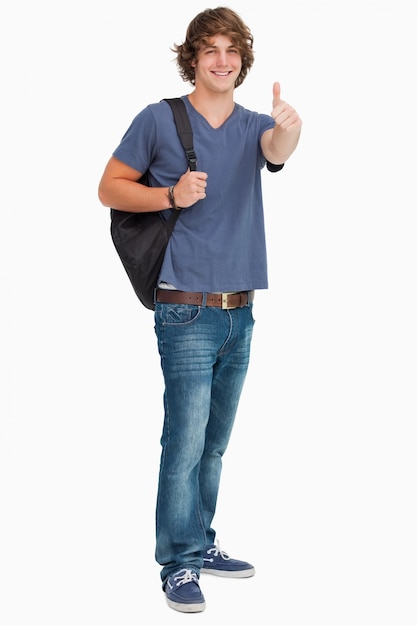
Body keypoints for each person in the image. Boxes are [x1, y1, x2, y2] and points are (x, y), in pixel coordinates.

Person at [98, 6, 301, 613]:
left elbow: (277, 147)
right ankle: (177, 562)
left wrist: (291, 126)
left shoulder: (253, 125)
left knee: (214, 442)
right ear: (193, 57)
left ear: (243, 58)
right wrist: (169, 194)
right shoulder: (159, 120)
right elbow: (108, 186)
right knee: (184, 441)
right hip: (185, 307)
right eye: (210, 48)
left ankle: (200, 542)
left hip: (241, 308)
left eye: (232, 48)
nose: (222, 59)